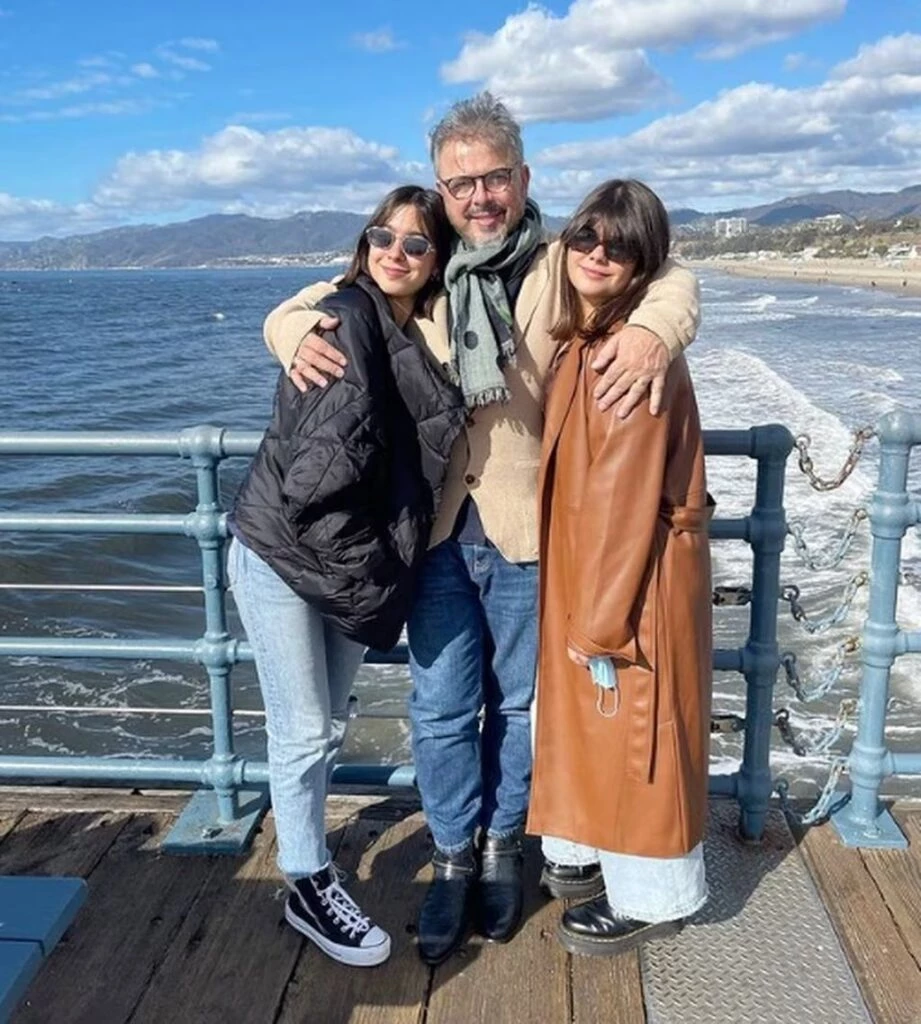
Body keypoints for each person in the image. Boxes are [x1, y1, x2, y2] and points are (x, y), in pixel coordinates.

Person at [260, 93, 701, 965]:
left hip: (529, 532)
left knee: (522, 704)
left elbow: (669, 276)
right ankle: (452, 855)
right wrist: (284, 331)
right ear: (441, 188)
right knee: (439, 705)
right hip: (429, 533)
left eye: (494, 176)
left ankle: (508, 847)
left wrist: (655, 329)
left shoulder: (556, 262)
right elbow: (314, 297)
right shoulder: (417, 263)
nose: (479, 195)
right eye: (460, 181)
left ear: (523, 177)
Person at [227, 185, 466, 967]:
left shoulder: (404, 328)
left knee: (323, 728)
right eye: (380, 237)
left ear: (436, 261)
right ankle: (305, 880)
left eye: (415, 243)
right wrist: (375, 577)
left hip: (340, 561)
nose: (394, 252)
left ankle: (307, 861)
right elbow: (319, 478)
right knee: (301, 731)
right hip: (288, 555)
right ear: (362, 246)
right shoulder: (347, 320)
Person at [527, 179, 713, 956]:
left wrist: (599, 624)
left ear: (646, 263)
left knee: (640, 735)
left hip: (627, 585)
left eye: (620, 246)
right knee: (603, 733)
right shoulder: (592, 338)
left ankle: (652, 896)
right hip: (595, 570)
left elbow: (623, 501)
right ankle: (588, 856)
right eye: (586, 239)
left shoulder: (628, 359)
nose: (597, 255)